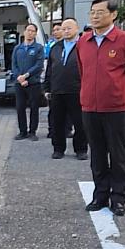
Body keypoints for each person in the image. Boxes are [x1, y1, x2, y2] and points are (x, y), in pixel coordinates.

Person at [78, 0, 125, 216]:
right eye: (92, 12)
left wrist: (122, 97)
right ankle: (100, 195)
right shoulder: (83, 41)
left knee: (118, 154)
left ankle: (119, 198)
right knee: (97, 154)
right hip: (90, 107)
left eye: (100, 12)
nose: (95, 16)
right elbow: (83, 72)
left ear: (113, 14)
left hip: (116, 108)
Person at [43, 18, 88, 161]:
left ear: (76, 28)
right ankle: (58, 149)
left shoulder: (84, 46)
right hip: (57, 90)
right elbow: (49, 69)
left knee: (80, 122)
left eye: (69, 28)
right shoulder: (56, 47)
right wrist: (47, 88)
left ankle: (81, 149)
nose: (66, 31)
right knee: (57, 122)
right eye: (64, 28)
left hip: (77, 90)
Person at [12, 23, 45, 141]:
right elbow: (14, 65)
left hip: (33, 83)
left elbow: (39, 65)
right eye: (28, 30)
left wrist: (26, 76)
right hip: (19, 83)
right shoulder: (17, 48)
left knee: (34, 107)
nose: (30, 32)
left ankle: (32, 132)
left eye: (32, 31)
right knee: (20, 107)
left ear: (35, 33)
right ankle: (22, 131)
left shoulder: (39, 48)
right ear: (24, 32)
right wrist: (19, 78)